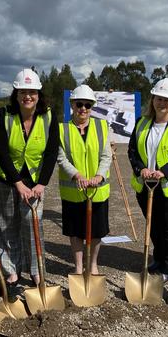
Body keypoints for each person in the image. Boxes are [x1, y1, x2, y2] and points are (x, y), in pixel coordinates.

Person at [0, 68, 59, 294]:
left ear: (39, 94)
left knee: (32, 222)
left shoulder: (48, 116)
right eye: (22, 92)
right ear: (16, 94)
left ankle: (36, 269)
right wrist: (17, 183)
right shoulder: (4, 115)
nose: (27, 96)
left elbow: (51, 152)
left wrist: (41, 184)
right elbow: (1, 150)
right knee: (7, 222)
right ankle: (12, 269)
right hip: (5, 177)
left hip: (35, 178)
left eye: (32, 92)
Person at [128, 78, 168, 283]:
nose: (162, 103)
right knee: (154, 226)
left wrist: (164, 171)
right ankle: (158, 259)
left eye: (167, 100)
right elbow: (132, 151)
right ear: (152, 99)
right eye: (159, 98)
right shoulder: (141, 123)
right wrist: (141, 169)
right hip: (146, 185)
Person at [57, 84, 111, 274]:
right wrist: (76, 175)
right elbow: (61, 157)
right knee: (75, 231)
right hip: (74, 191)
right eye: (79, 104)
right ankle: (79, 267)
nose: (83, 109)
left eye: (88, 105)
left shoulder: (102, 126)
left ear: (92, 107)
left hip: (98, 190)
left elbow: (106, 155)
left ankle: (93, 264)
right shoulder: (62, 129)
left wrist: (99, 175)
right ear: (72, 104)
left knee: (97, 231)